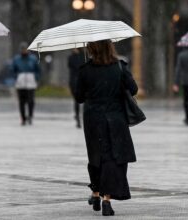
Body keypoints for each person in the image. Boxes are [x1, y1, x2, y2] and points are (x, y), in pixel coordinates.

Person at [75, 40, 138, 216]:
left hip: (93, 120)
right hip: (115, 118)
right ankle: (106, 200)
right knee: (112, 157)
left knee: (96, 156)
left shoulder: (85, 70)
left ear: (91, 49)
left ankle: (95, 192)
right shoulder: (119, 66)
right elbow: (133, 89)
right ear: (110, 47)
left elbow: (79, 97)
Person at [11, 42, 40, 125]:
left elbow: (38, 69)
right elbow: (13, 69)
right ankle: (23, 118)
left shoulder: (33, 59)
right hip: (21, 81)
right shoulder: (16, 59)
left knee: (31, 100)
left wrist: (36, 78)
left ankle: (30, 116)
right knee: (22, 101)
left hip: (31, 81)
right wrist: (16, 77)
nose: (24, 50)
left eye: (25, 49)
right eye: (22, 49)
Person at [68, 48, 84, 128]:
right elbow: (71, 66)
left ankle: (82, 116)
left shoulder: (83, 56)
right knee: (76, 100)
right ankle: (77, 116)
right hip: (74, 81)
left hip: (82, 80)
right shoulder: (71, 57)